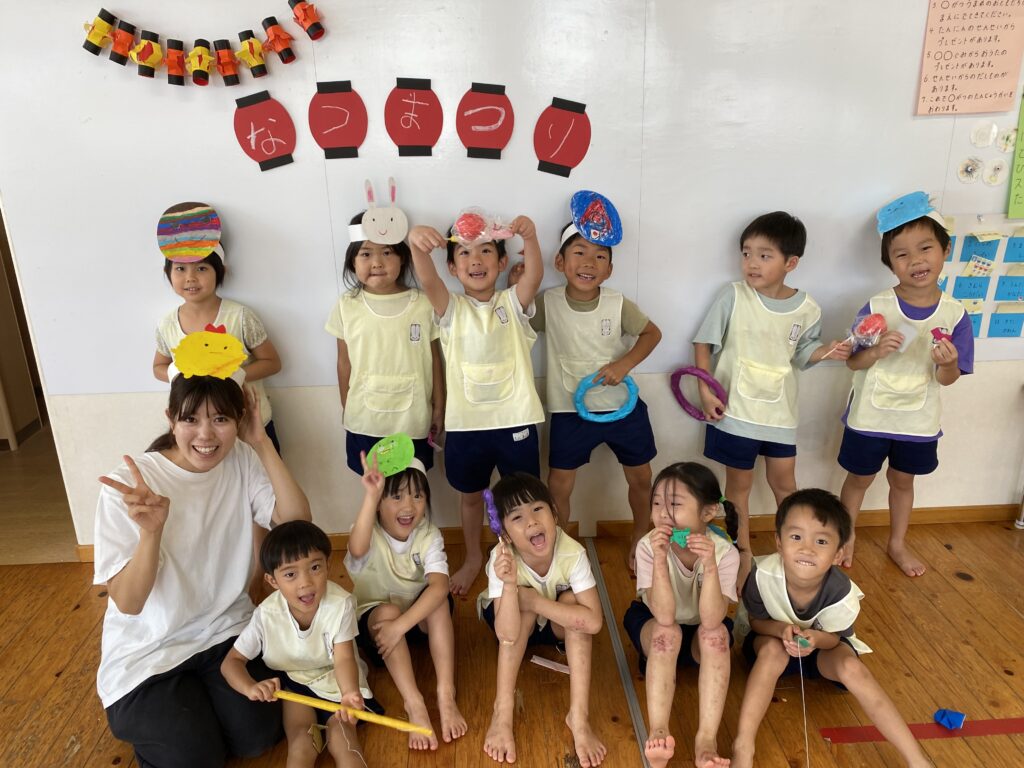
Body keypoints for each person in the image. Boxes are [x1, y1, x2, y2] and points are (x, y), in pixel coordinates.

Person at [94, 369, 311, 768]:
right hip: (149, 652)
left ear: (239, 419)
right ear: (171, 418)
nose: (206, 435)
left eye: (221, 418)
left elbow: (297, 523)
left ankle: (202, 710)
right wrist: (151, 533)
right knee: (194, 757)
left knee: (258, 734)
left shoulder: (242, 457)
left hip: (222, 632)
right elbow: (128, 603)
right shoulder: (131, 486)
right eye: (190, 419)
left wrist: (261, 442)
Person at [512, 193, 661, 571]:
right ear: (560, 262)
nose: (589, 262)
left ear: (609, 269)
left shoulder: (617, 302)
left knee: (642, 478)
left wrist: (624, 364)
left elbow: (652, 334)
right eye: (579, 252)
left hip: (622, 408)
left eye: (600, 256)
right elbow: (514, 325)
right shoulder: (548, 302)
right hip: (569, 410)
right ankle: (559, 548)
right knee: (558, 485)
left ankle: (640, 537)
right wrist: (518, 289)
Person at [732, 488, 932, 768]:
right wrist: (780, 630)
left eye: (821, 541)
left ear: (839, 554)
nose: (807, 549)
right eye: (796, 537)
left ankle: (917, 760)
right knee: (771, 653)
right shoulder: (761, 575)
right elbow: (756, 622)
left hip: (823, 647)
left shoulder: (842, 593)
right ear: (778, 542)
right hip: (771, 642)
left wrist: (815, 639)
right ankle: (743, 746)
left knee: (853, 669)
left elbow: (835, 639)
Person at [693, 211, 851, 555]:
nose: (752, 263)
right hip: (735, 413)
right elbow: (703, 343)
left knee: (785, 485)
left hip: (780, 415)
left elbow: (803, 354)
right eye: (746, 253)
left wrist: (828, 351)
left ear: (790, 263)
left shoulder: (808, 308)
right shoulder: (733, 295)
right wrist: (705, 391)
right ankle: (741, 551)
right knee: (738, 488)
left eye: (764, 255)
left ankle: (795, 549)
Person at [838, 192, 973, 576]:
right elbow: (852, 361)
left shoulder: (956, 314)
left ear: (945, 250)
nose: (915, 260)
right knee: (859, 477)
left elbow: (948, 379)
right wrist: (875, 351)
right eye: (901, 254)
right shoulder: (876, 307)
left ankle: (897, 543)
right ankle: (846, 537)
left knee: (902, 480)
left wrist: (947, 364)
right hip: (871, 415)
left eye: (925, 248)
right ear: (890, 264)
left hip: (917, 420)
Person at [410, 214, 545, 595]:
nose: (476, 260)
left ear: (501, 262)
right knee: (470, 497)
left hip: (515, 421)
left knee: (524, 499)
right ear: (453, 268)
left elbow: (534, 276)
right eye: (465, 253)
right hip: (466, 427)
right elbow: (427, 280)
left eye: (486, 251)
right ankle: (472, 557)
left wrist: (531, 238)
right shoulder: (450, 309)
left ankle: (525, 558)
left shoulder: (512, 302)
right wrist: (415, 243)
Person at [477, 473, 606, 767]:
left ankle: (579, 717)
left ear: (554, 514)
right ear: (505, 535)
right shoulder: (502, 557)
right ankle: (502, 712)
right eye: (517, 517)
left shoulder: (573, 553)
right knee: (522, 610)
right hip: (512, 622)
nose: (532, 521)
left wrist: (535, 601)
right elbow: (506, 634)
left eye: (538, 509)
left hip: (552, 620)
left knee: (571, 604)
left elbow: (594, 622)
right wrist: (510, 586)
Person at [221, 520, 369, 768]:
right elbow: (231, 662)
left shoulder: (340, 604)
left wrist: (349, 693)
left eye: (315, 567)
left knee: (342, 739)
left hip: (337, 680)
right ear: (272, 580)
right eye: (290, 574)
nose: (306, 583)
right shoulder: (266, 615)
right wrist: (250, 687)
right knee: (301, 743)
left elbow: (344, 659)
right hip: (295, 684)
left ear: (328, 565)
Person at [345, 451, 467, 750]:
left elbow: (439, 587)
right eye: (397, 496)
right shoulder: (367, 531)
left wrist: (400, 626)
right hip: (379, 630)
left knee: (438, 600)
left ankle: (446, 695)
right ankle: (415, 704)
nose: (409, 506)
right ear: (379, 503)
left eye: (417, 496)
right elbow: (357, 549)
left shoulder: (429, 534)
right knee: (387, 611)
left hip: (411, 622)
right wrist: (370, 495)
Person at [623, 463, 739, 768]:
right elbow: (663, 616)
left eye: (674, 504)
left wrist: (710, 566)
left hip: (702, 628)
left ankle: (706, 740)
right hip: (657, 623)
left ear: (707, 512)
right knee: (667, 633)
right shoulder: (648, 547)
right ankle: (658, 730)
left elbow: (712, 620)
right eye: (656, 503)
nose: (662, 513)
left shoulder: (725, 552)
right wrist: (660, 559)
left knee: (716, 636)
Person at [152, 203, 282, 451]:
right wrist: (184, 373)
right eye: (180, 269)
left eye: (201, 268)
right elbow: (158, 367)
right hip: (200, 435)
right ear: (168, 273)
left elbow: (272, 362)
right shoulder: (167, 324)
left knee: (266, 474)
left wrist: (230, 375)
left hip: (250, 426)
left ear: (220, 271)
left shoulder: (240, 316)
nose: (190, 277)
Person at [325, 210, 443, 477]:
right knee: (374, 490)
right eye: (365, 254)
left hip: (413, 420)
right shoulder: (347, 306)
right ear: (352, 262)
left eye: (387, 252)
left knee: (413, 488)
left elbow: (435, 359)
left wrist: (439, 406)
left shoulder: (423, 304)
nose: (377, 262)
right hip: (365, 421)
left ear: (403, 258)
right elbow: (343, 362)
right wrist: (347, 407)